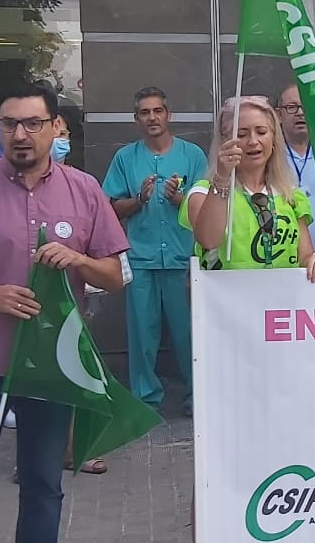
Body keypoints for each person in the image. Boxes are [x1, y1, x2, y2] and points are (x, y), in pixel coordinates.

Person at [0, 82, 130, 543]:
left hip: (53, 367)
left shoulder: (85, 190)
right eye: (9, 123)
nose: (20, 134)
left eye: (32, 123)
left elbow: (114, 277)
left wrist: (78, 261)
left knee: (43, 479)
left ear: (54, 128)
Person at [102, 86, 206, 418]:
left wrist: (180, 199)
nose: (152, 118)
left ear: (168, 114)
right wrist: (140, 199)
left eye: (157, 111)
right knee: (142, 336)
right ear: (137, 119)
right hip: (142, 259)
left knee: (190, 334)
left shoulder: (192, 156)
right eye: (144, 113)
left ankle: (199, 397)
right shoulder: (126, 158)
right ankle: (146, 400)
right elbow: (112, 208)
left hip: (183, 260)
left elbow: (210, 209)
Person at [180, 95, 315, 280]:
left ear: (274, 138)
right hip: (226, 304)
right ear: (225, 141)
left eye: (261, 132)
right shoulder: (203, 193)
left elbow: (304, 256)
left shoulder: (291, 194)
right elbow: (208, 240)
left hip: (282, 303)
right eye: (242, 134)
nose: (253, 141)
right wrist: (222, 178)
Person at [275, 85, 315, 256]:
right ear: (278, 114)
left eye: (306, 106)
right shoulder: (270, 157)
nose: (300, 113)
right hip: (285, 263)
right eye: (292, 107)